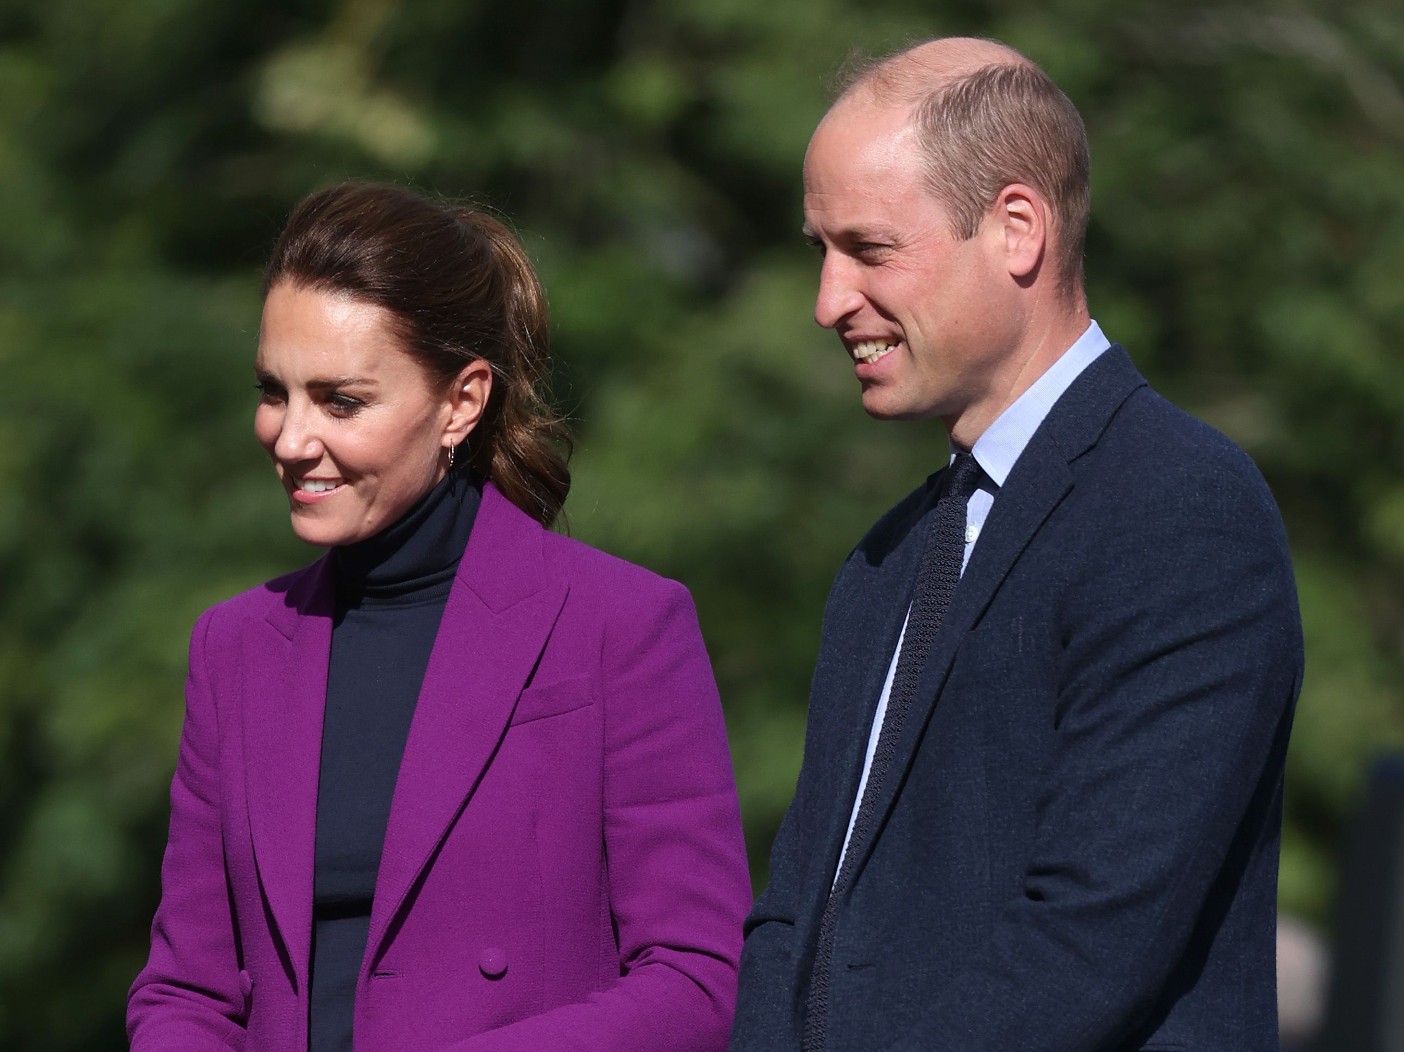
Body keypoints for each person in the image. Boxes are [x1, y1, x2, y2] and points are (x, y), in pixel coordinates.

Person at [728, 37, 1303, 1052]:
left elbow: (1092, 937)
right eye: (819, 250)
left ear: (1017, 228)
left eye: (868, 248)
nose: (828, 301)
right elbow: (796, 913)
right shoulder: (886, 557)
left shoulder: (1180, 507)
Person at [128, 182, 751, 1052]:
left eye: (340, 401)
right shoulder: (233, 648)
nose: (290, 438)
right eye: (274, 390)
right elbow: (186, 990)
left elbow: (697, 978)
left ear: (461, 402)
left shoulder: (622, 624)